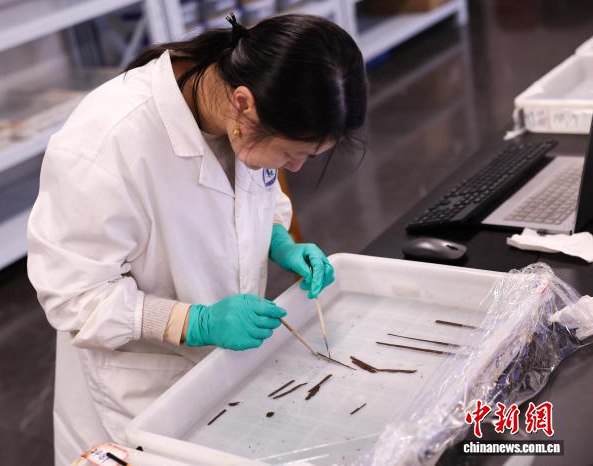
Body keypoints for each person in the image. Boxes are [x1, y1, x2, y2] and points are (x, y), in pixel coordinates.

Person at [27, 12, 367, 465]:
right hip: (139, 390)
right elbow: (74, 296)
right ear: (243, 105)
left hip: (221, 369)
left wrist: (278, 240)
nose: (296, 167)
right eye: (292, 153)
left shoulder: (244, 103)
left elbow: (251, 198)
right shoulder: (105, 144)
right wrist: (196, 322)